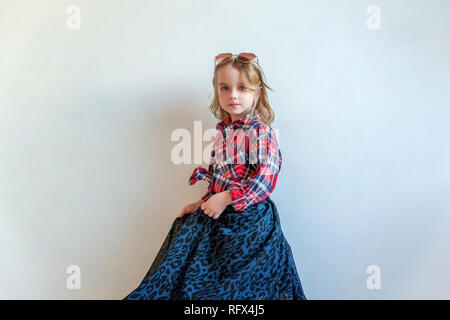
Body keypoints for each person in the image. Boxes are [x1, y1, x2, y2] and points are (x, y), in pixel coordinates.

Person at [123, 52, 307, 300]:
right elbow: (219, 177)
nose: (233, 95)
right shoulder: (223, 132)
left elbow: (265, 181)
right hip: (222, 221)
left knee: (243, 290)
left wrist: (227, 198)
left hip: (250, 226)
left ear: (257, 92)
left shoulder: (260, 131)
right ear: (217, 92)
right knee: (191, 271)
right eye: (225, 88)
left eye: (242, 88)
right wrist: (201, 202)